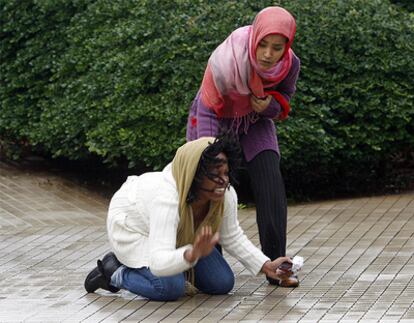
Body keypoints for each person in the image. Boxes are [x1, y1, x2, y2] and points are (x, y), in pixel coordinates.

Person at [84, 136, 294, 301]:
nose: (223, 180)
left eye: (226, 172)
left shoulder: (225, 193)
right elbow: (158, 262)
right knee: (168, 288)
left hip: (178, 239)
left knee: (222, 283)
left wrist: (266, 265)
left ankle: (174, 265)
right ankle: (114, 271)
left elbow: (231, 236)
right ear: (194, 175)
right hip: (133, 227)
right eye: (215, 174)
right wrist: (191, 254)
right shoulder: (167, 199)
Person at [186, 6, 300, 287]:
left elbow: (284, 99)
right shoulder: (228, 57)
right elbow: (208, 101)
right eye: (262, 44)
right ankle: (211, 266)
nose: (267, 54)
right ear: (254, 37)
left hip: (253, 119)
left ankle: (278, 267)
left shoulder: (290, 64)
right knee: (212, 184)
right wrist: (210, 151)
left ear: (287, 47)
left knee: (271, 183)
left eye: (277, 48)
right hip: (214, 114)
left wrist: (270, 105)